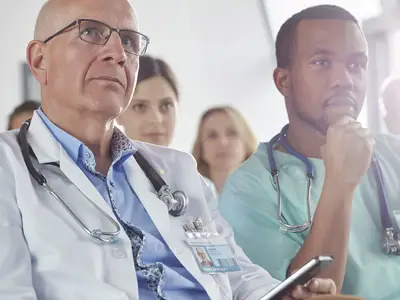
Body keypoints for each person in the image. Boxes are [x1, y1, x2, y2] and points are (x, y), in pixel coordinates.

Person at [0, 0, 336, 299]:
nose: (117, 53)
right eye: (90, 31)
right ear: (39, 59)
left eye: (129, 41)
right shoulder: (8, 166)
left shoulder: (178, 171)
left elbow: (236, 277)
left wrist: (284, 294)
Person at [219, 4, 400, 300]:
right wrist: (340, 183)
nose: (344, 80)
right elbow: (299, 297)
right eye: (321, 62)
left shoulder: (395, 154)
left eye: (356, 65)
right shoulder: (249, 190)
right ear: (283, 81)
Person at [192, 106, 257, 195]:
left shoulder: (270, 197)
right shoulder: (187, 198)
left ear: (246, 143)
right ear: (201, 147)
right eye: (212, 135)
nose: (223, 142)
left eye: (232, 133)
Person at [117, 55, 178, 146]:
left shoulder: (189, 160)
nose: (156, 119)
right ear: (118, 114)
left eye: (166, 105)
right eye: (140, 107)